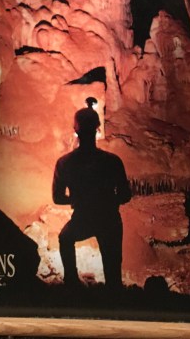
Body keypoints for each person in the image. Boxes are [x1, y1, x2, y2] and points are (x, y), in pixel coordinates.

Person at [53, 99, 131, 288]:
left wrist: (78, 199)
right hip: (109, 219)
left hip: (83, 217)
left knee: (65, 238)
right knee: (113, 275)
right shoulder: (112, 161)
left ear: (76, 130)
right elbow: (125, 195)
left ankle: (72, 282)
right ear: (97, 129)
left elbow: (57, 198)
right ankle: (114, 295)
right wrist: (107, 200)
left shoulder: (65, 163)